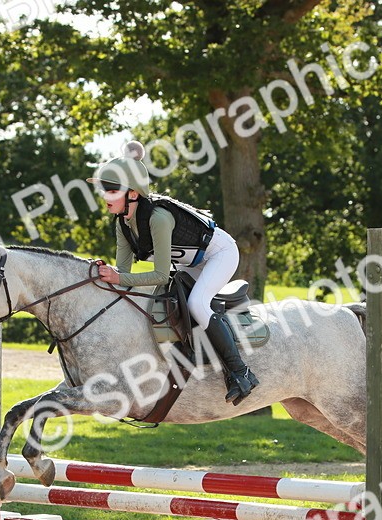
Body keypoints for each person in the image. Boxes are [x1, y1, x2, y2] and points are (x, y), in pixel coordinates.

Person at [87, 140, 258, 405]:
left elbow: (158, 274)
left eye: (111, 190)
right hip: (191, 263)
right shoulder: (122, 223)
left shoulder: (158, 218)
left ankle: (241, 372)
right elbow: (123, 273)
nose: (105, 196)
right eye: (104, 190)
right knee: (170, 302)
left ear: (133, 193)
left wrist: (118, 277)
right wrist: (107, 274)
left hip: (220, 254)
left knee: (197, 303)